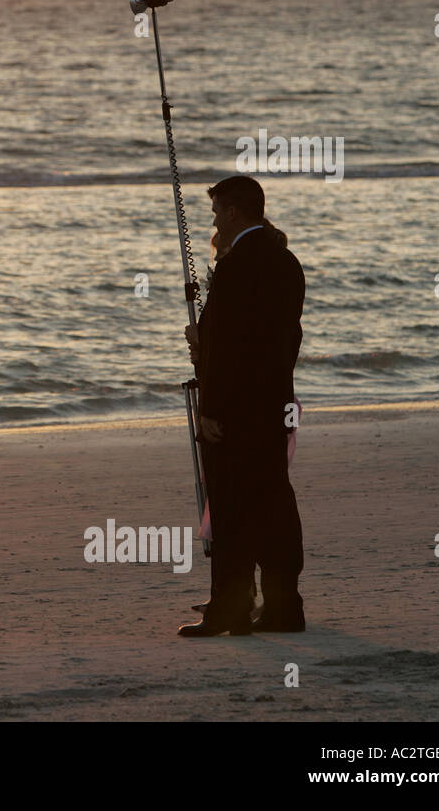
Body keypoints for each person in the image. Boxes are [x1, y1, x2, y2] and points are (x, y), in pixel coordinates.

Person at [178, 176, 306, 637]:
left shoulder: (236, 268)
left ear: (233, 213)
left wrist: (210, 405)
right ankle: (283, 607)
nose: (214, 222)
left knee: (231, 509)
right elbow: (279, 339)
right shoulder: (287, 262)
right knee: (272, 501)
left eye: (216, 214)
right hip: (274, 404)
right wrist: (207, 343)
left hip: (233, 410)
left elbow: (231, 346)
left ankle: (229, 610)